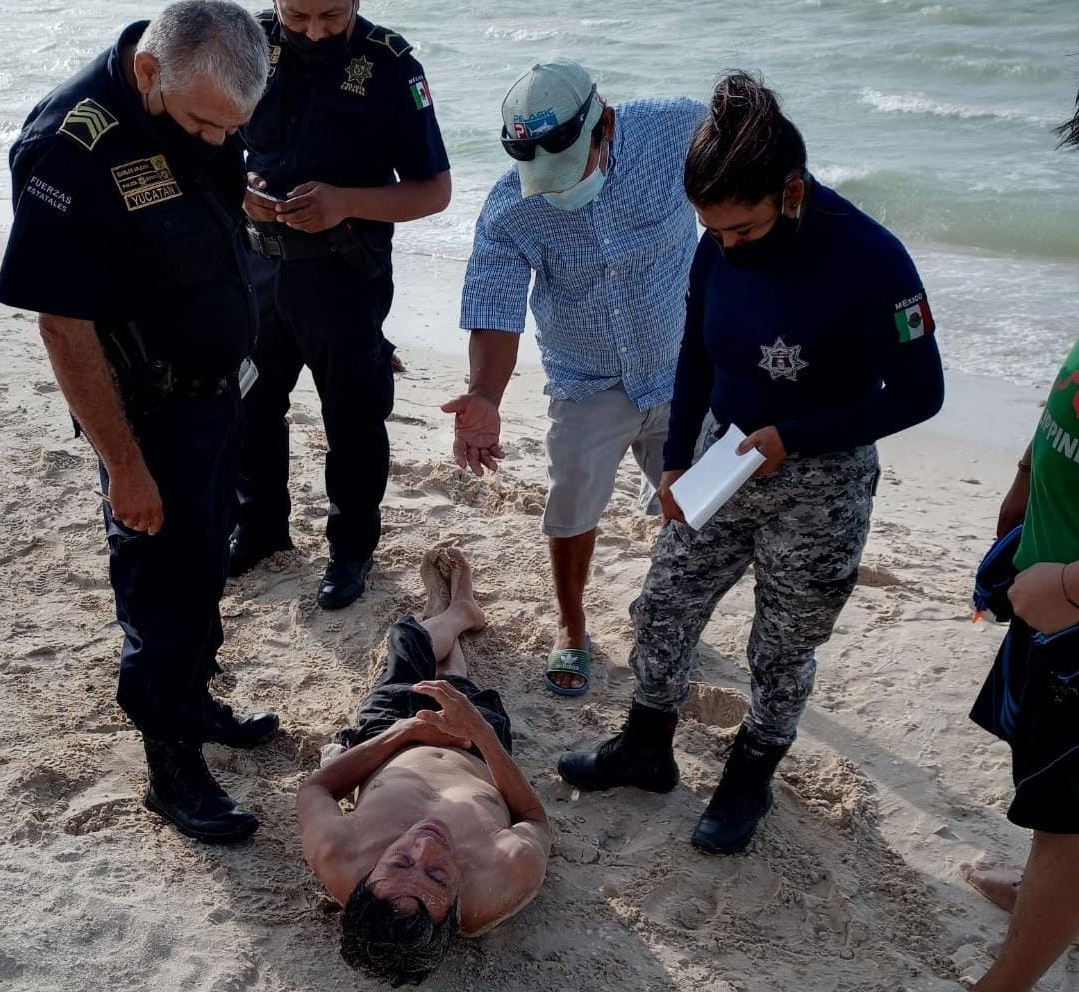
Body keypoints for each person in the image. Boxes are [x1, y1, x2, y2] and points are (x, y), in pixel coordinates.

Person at [557, 72, 945, 855]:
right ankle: (646, 746)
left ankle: (751, 775)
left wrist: (792, 439)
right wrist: (673, 461)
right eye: (714, 230)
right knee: (662, 606)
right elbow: (697, 354)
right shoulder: (716, 245)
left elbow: (920, 393)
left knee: (782, 643)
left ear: (791, 192)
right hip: (720, 458)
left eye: (742, 229)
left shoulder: (873, 259)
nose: (725, 244)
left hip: (820, 480)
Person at [0, 1, 279, 845]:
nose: (220, 140)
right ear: (151, 74)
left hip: (219, 390)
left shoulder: (203, 96)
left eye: (234, 129)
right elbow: (62, 324)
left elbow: (206, 208)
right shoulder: (69, 149)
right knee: (161, 586)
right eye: (204, 123)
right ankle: (172, 767)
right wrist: (124, 466)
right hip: (148, 415)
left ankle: (198, 698)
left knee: (206, 562)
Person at [445, 59, 705, 696]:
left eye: (572, 169)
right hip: (586, 382)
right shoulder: (512, 208)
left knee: (696, 503)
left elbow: (758, 160)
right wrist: (484, 395)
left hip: (685, 366)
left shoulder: (678, 131)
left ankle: (667, 610)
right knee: (571, 504)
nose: (558, 190)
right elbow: (495, 308)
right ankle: (571, 624)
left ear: (605, 125)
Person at [229, 0, 452, 612]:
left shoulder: (389, 64)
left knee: (353, 419)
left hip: (344, 276)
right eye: (298, 17)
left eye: (331, 15)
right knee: (249, 403)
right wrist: (233, 187)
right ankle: (260, 529)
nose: (316, 31)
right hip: (256, 266)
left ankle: (351, 550)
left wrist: (344, 202)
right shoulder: (243, 41)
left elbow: (435, 191)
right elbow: (204, 136)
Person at [297, 548, 550, 985]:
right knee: (456, 683)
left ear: (366, 881)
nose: (425, 846)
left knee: (404, 642)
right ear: (453, 909)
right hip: (475, 750)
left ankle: (451, 619)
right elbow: (534, 818)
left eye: (396, 864)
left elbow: (313, 792)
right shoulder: (500, 881)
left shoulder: (341, 858)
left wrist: (407, 731)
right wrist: (481, 734)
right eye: (437, 875)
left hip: (387, 738)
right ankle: (458, 618)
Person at [959, 90, 1079, 992]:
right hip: (1047, 578)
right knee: (1040, 767)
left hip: (1072, 602)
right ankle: (1047, 890)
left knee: (1070, 819)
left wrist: (1070, 585)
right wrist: (1027, 476)